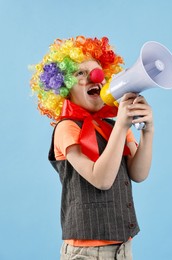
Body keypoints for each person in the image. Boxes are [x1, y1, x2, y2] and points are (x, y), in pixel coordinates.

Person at [30, 36, 154, 259]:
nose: (94, 77)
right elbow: (102, 179)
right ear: (64, 86)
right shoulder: (66, 129)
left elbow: (139, 173)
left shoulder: (114, 126)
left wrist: (148, 130)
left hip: (123, 248)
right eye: (80, 73)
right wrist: (122, 126)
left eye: (98, 72)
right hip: (86, 252)